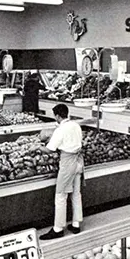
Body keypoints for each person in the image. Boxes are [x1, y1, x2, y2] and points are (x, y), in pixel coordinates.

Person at [39, 103, 84, 240]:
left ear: (57, 116)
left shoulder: (61, 129)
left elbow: (50, 149)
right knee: (76, 194)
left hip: (67, 162)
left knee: (60, 195)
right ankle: (76, 225)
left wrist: (37, 147)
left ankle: (58, 228)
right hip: (78, 161)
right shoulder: (76, 125)